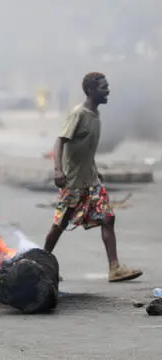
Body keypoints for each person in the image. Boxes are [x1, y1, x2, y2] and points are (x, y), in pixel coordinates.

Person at [44, 71, 143, 282]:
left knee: (108, 218)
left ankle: (114, 268)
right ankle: (41, 262)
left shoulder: (96, 115)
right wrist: (58, 170)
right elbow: (60, 141)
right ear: (90, 90)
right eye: (102, 87)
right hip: (73, 183)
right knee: (60, 224)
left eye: (107, 86)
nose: (107, 90)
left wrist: (95, 170)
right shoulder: (78, 114)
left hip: (91, 182)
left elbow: (86, 149)